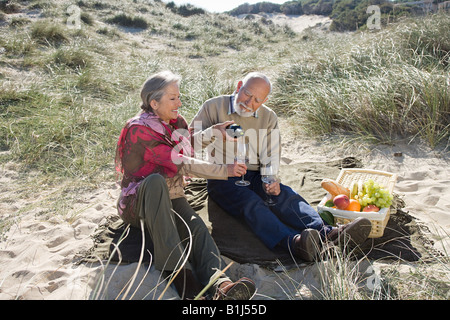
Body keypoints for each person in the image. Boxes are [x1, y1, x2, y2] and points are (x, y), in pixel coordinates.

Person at [189, 72, 372, 261]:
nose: (249, 102)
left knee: (284, 195)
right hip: (223, 175)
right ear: (239, 86)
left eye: (257, 100)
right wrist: (213, 132)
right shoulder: (213, 106)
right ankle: (296, 243)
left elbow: (271, 154)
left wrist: (271, 179)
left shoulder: (268, 117)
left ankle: (329, 234)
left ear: (264, 100)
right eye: (247, 94)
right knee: (252, 204)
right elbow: (187, 144)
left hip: (255, 173)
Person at [115, 71, 255, 300]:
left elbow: (185, 144)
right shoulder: (138, 129)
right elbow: (180, 162)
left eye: (179, 97)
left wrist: (214, 132)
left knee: (197, 229)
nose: (179, 103)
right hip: (139, 202)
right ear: (154, 102)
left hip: (171, 195)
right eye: (173, 98)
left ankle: (221, 283)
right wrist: (225, 171)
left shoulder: (174, 121)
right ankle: (183, 279)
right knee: (155, 181)